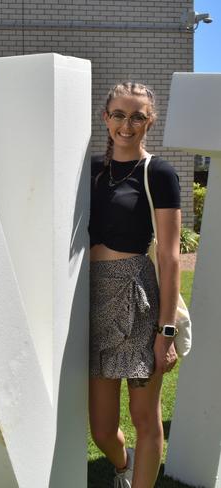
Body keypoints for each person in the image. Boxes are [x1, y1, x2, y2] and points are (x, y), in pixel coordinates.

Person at [88, 81, 181, 487]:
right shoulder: (91, 171)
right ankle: (123, 465)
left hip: (137, 298)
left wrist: (166, 332)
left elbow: (170, 256)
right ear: (106, 117)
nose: (128, 124)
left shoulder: (157, 172)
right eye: (120, 114)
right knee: (102, 430)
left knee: (146, 418)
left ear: (150, 121)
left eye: (138, 116)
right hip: (91, 300)